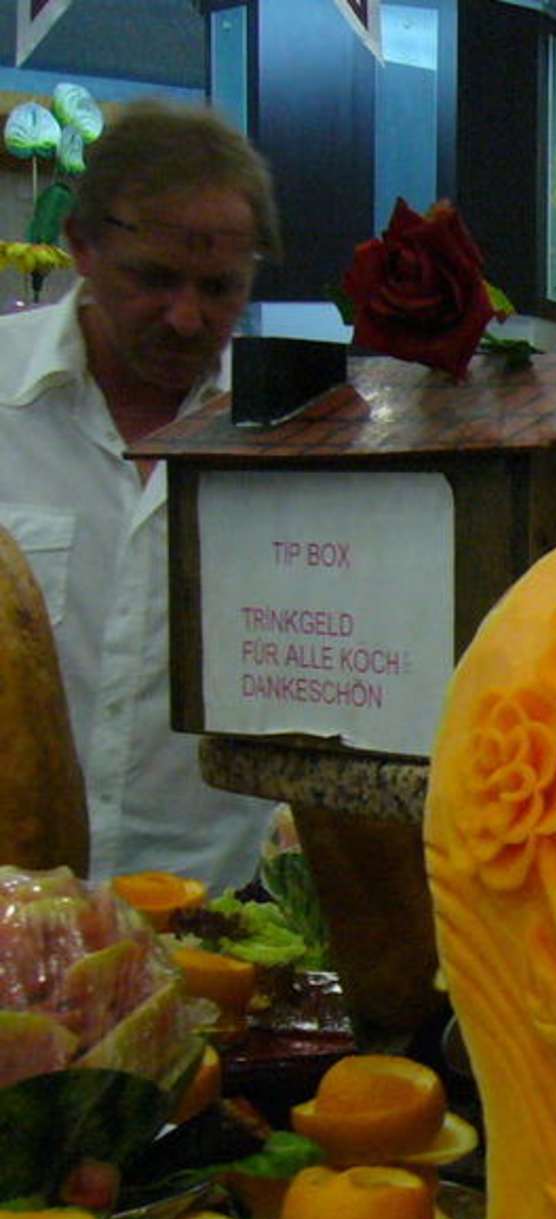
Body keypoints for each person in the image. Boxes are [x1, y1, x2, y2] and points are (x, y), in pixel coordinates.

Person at [0, 100, 280, 889]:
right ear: (81, 246)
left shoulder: (297, 438)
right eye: (153, 279)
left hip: (220, 909)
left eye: (219, 287)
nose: (186, 317)